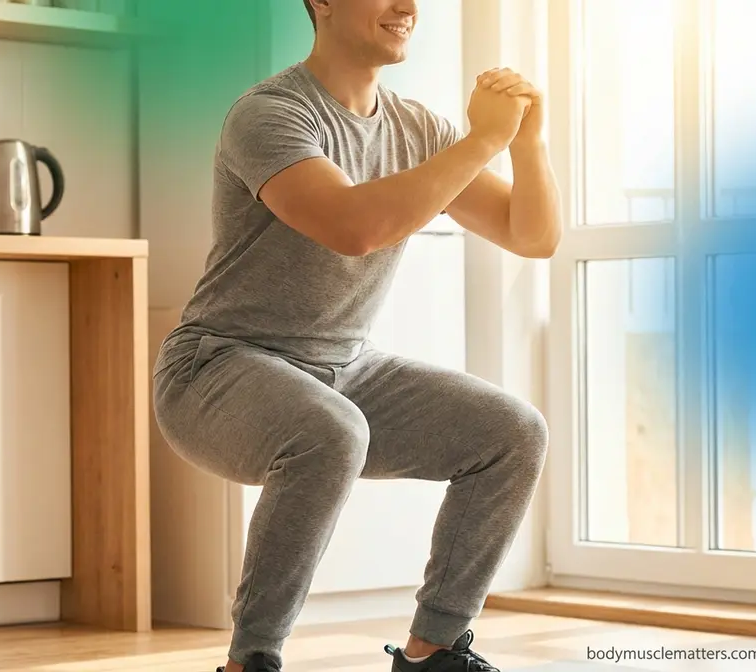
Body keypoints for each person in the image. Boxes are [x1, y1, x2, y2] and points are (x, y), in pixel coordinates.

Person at [151, 1, 563, 671]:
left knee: (512, 432)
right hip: (216, 368)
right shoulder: (271, 114)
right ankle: (248, 660)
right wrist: (482, 141)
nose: (408, 6)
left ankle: (435, 651)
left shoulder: (417, 128)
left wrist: (527, 141)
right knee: (330, 430)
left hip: (344, 370)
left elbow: (531, 235)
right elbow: (353, 227)